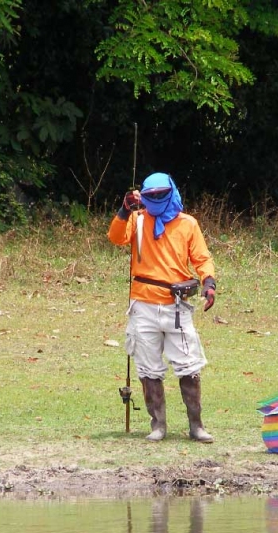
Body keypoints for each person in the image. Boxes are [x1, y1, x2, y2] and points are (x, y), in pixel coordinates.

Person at [108, 172, 217, 442]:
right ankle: (158, 426)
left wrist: (209, 283)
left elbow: (202, 258)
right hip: (143, 304)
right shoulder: (138, 219)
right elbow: (116, 237)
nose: (155, 199)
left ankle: (196, 426)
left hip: (177, 304)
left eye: (160, 195)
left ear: (171, 192)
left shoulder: (187, 224)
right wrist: (124, 209)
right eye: (150, 195)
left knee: (188, 365)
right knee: (148, 368)